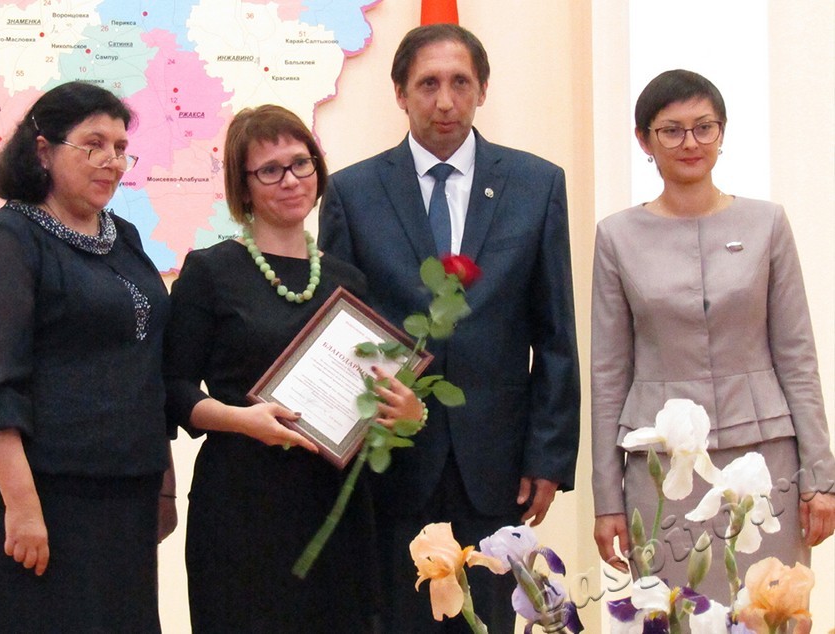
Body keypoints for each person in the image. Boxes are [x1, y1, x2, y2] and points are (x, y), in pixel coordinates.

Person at [319, 24, 580, 632]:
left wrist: (548, 456)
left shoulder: (536, 185)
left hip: (496, 466)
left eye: (460, 83)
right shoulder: (352, 191)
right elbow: (336, 333)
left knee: (484, 621)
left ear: (482, 90)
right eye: (428, 84)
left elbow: (556, 334)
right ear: (400, 93)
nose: (445, 101)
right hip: (391, 464)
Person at [163, 104, 423, 632]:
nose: (290, 180)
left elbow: (372, 405)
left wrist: (407, 415)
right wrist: (242, 420)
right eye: (270, 170)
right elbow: (171, 389)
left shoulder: (348, 281)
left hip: (336, 512)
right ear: (243, 186)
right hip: (242, 509)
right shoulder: (210, 271)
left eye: (301, 163)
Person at [591, 69, 835, 601]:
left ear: (722, 134)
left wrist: (820, 477)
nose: (690, 142)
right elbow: (609, 375)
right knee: (675, 614)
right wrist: (607, 500)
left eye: (704, 127)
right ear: (644, 141)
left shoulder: (768, 224)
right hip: (661, 470)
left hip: (766, 463)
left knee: (769, 611)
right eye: (671, 130)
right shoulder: (616, 236)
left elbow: (798, 357)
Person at [0, 81, 176, 633]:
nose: (112, 161)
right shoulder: (8, 239)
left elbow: (145, 366)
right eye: (93, 144)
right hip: (38, 502)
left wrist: (162, 481)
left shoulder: (124, 237)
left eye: (121, 148)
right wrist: (23, 507)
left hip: (123, 503)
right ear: (43, 150)